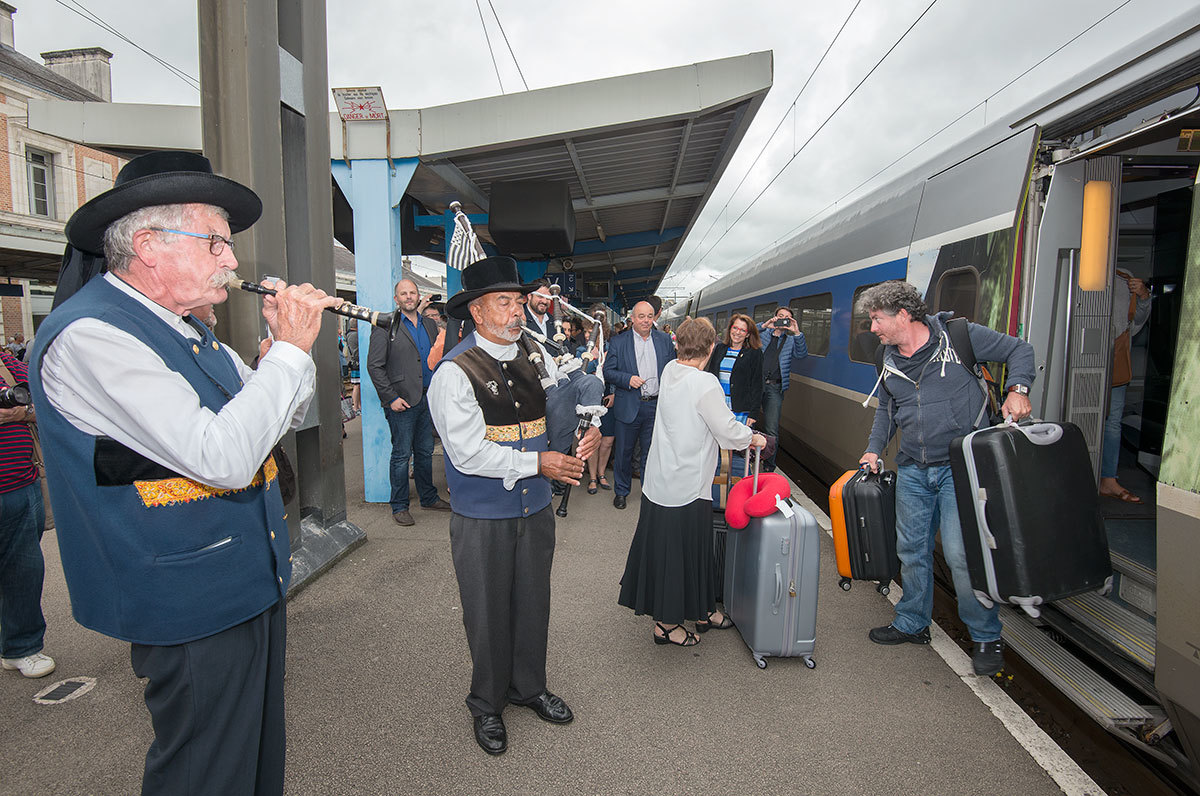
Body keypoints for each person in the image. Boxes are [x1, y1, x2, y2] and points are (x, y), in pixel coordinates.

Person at [29, 150, 342, 795]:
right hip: (186, 594)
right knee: (204, 771)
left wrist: (280, 355)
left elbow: (280, 417)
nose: (232, 260)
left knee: (254, 755)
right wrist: (287, 353)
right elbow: (223, 457)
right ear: (148, 244)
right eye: (217, 243)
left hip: (244, 576)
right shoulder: (92, 336)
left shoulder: (194, 334)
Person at [427, 256, 600, 756]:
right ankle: (486, 704)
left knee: (532, 602)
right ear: (476, 312)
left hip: (535, 509)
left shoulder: (534, 356)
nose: (517, 311)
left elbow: (560, 409)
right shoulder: (453, 373)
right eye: (505, 302)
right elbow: (467, 454)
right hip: (483, 517)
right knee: (486, 611)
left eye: (520, 301)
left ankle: (528, 687)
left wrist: (583, 437)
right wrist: (539, 465)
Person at [855, 280, 1034, 677]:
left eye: (876, 319)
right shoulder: (887, 359)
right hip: (914, 468)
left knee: (960, 555)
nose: (873, 329)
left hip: (961, 468)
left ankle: (986, 635)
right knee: (912, 550)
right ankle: (912, 623)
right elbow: (886, 410)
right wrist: (874, 449)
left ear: (903, 315)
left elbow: (1020, 349)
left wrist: (1018, 388)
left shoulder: (960, 337)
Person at [618, 317, 765, 645]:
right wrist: (753, 438)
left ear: (677, 344)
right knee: (683, 552)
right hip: (686, 483)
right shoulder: (705, 383)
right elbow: (726, 428)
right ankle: (666, 626)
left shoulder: (671, 370)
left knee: (682, 549)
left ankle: (701, 610)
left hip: (662, 478)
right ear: (711, 347)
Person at [367, 279, 451, 526]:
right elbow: (375, 366)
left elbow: (438, 357)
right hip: (402, 401)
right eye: (403, 293)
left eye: (412, 293)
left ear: (418, 297)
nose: (408, 297)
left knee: (425, 452)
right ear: (396, 299)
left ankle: (428, 497)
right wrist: (391, 398)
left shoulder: (429, 324)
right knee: (402, 455)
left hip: (428, 399)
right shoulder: (385, 326)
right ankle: (399, 505)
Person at [0, 347, 54, 679]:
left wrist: (20, 413)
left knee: (24, 572)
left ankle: (21, 647)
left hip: (20, 484)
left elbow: (48, 402)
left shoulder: (7, 362)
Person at [604, 300, 675, 510]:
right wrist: (627, 379)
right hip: (628, 406)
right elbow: (608, 371)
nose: (646, 320)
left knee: (651, 453)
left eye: (649, 316)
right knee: (624, 453)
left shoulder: (664, 340)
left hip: (655, 406)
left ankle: (648, 492)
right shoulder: (619, 342)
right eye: (641, 316)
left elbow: (672, 370)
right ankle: (621, 492)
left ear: (655, 318)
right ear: (632, 319)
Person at [1100, 268, 1152, 504]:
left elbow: (1135, 325)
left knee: (1112, 425)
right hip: (1077, 360)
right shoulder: (1076, 266)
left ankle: (1108, 480)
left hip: (1115, 361)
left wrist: (1143, 297)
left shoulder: (1125, 277)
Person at [756, 306, 808, 471]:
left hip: (774, 388)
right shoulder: (762, 335)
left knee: (772, 429)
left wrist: (797, 332)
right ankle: (744, 459)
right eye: (780, 316)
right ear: (774, 317)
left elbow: (802, 354)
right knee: (746, 423)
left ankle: (768, 466)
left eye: (787, 318)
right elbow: (748, 333)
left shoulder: (791, 340)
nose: (783, 320)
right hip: (755, 385)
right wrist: (765, 325)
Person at [706, 313, 763, 424]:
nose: (737, 332)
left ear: (747, 335)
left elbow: (757, 384)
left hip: (740, 411)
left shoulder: (754, 353)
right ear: (730, 329)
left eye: (742, 330)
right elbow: (711, 375)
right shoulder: (720, 349)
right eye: (735, 328)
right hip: (718, 407)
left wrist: (753, 413)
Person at [583, 309, 615, 494]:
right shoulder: (581, 351)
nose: (590, 334)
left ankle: (602, 474)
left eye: (593, 330)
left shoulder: (611, 348)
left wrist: (615, 394)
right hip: (590, 403)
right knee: (592, 439)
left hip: (608, 401)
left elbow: (616, 372)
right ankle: (593, 477)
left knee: (607, 440)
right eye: (587, 331)